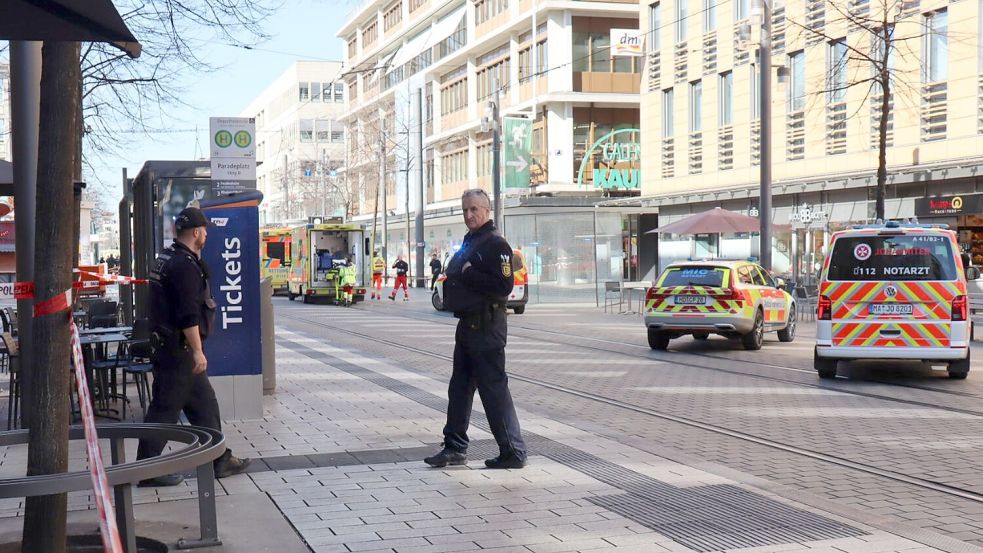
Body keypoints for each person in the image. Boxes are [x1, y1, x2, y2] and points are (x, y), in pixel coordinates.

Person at [136, 206, 251, 487]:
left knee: (205, 406)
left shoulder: (167, 258)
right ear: (197, 232)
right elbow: (188, 314)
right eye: (206, 230)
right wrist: (197, 350)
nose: (207, 234)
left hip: (169, 347)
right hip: (178, 351)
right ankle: (146, 469)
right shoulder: (184, 267)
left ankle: (220, 458)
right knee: (164, 410)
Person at [424, 189, 526, 470]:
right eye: (465, 210)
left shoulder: (496, 244)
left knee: (493, 391)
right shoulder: (472, 241)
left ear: (487, 210)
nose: (468, 215)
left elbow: (503, 286)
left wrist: (469, 273)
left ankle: (514, 452)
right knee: (459, 389)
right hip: (468, 326)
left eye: (474, 209)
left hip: (487, 328)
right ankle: (454, 446)